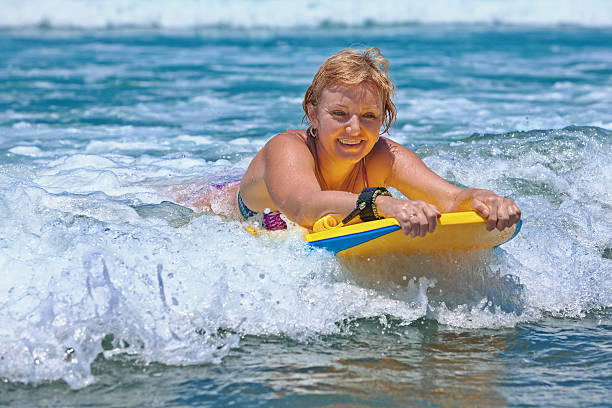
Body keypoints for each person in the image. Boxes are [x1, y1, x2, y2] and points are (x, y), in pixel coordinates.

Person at [191, 47, 521, 237]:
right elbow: (302, 207)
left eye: (368, 116)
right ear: (313, 113)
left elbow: (449, 198)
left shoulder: (384, 156)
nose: (354, 129)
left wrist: (486, 199)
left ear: (384, 119)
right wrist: (382, 204)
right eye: (339, 113)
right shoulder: (286, 148)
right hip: (214, 203)